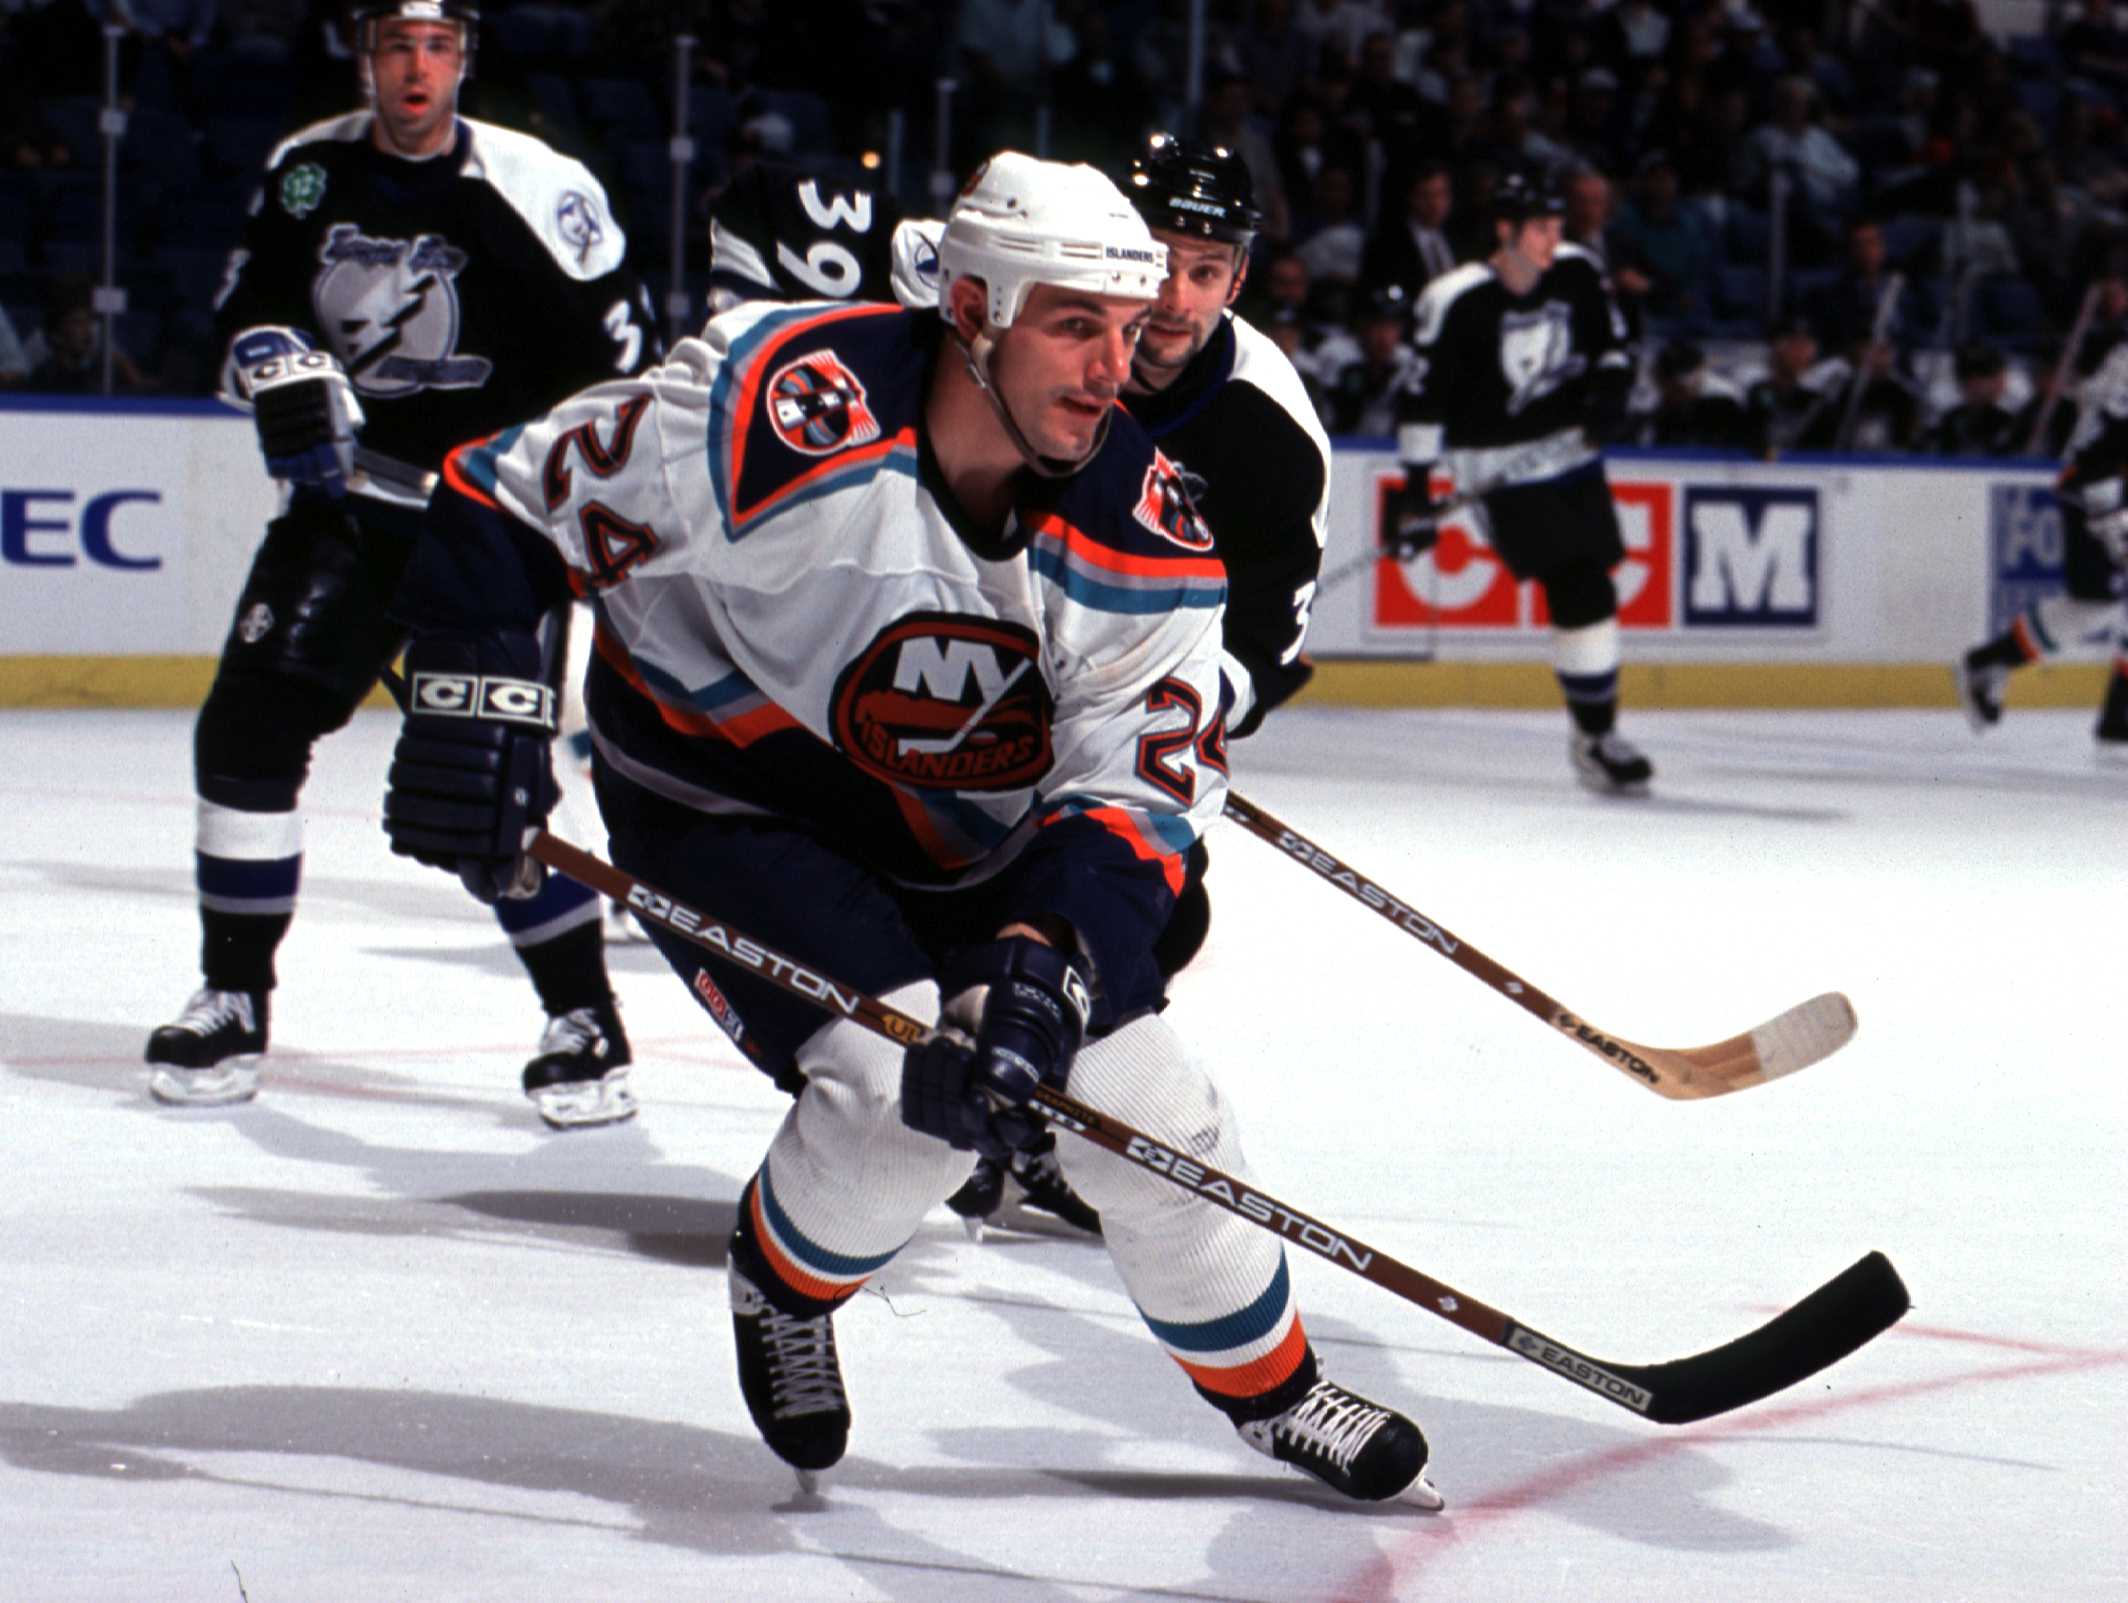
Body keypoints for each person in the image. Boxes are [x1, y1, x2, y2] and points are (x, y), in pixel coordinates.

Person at [375, 149, 1444, 1510]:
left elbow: (1135, 798)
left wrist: (1042, 963)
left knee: (1153, 1105)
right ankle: (783, 1284)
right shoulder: (768, 408)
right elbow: (507, 493)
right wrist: (479, 707)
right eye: (1077, 323)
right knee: (898, 1100)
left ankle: (1276, 1388)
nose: (1115, 366)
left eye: (1129, 329)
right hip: (731, 791)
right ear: (978, 307)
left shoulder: (1147, 527)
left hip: (969, 822)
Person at [701, 136, 1334, 1235]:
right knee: (868, 895)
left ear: (1241, 278)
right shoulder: (996, 278)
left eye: (1209, 268)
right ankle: (898, 1113)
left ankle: (1017, 1107)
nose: (1177, 298)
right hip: (897, 677)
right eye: (1160, 259)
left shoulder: (1268, 427)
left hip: (1075, 715)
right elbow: (779, 238)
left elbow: (1258, 645)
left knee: (1147, 914)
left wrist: (1148, 713)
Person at [143, 0, 662, 1128]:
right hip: (347, 511)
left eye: (436, 46)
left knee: (486, 787)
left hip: (491, 524)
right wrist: (274, 360)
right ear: (363, 53)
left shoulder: (538, 189)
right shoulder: (307, 175)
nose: (415, 66)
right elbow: (244, 320)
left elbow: (628, 375)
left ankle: (583, 1016)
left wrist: (567, 509)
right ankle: (233, 995)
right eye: (395, 44)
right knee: (244, 731)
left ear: (463, 58)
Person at [1388, 168, 1653, 793]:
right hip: (1499, 466)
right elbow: (1422, 403)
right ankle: (1597, 736)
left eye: (1557, 225)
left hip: (1571, 452)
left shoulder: (1577, 270)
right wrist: (1418, 491)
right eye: (1539, 227)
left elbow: (1613, 345)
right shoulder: (1455, 299)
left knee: (1593, 584)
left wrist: (1610, 391)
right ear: (1504, 230)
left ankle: (1595, 733)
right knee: (1580, 583)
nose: (1552, 238)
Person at [1955, 353, 2128, 753]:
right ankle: (1989, 661)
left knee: (2097, 602)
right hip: (2099, 490)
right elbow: (2103, 440)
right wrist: (2106, 506)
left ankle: (2118, 715)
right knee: (2095, 601)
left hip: (2101, 485)